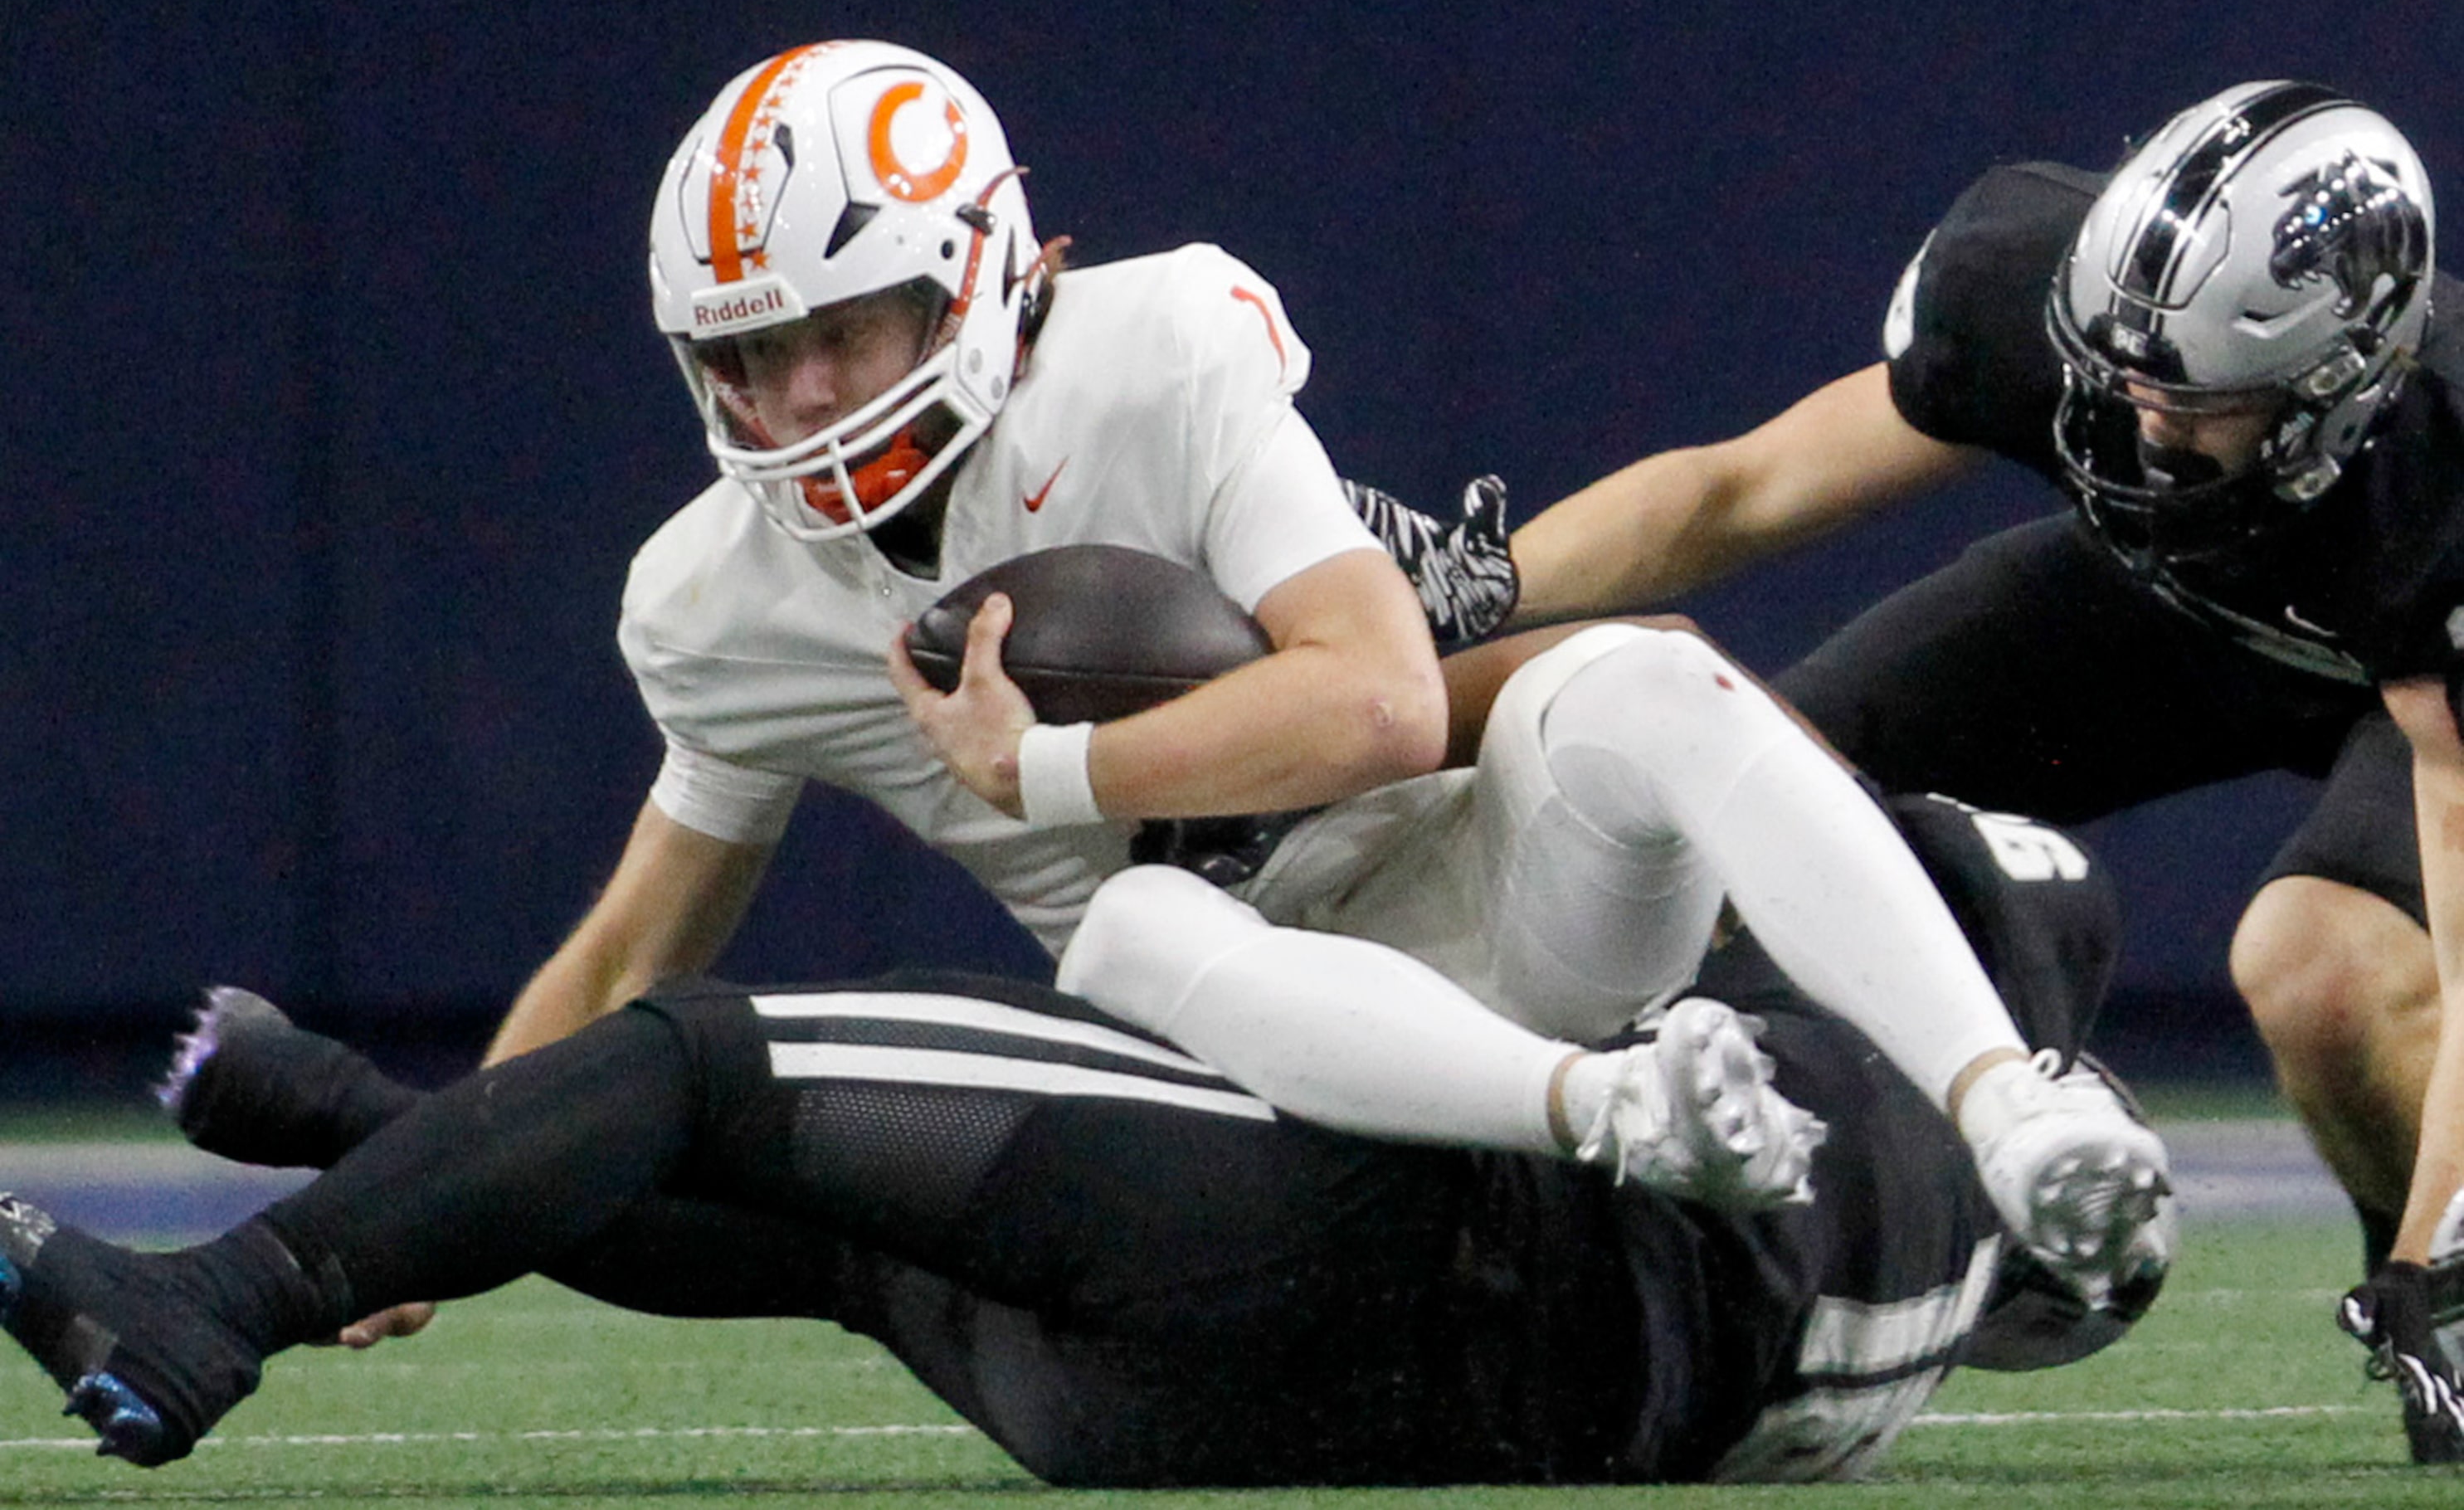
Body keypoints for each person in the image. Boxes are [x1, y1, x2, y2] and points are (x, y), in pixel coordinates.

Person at [466, 37, 2169, 1320]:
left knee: (1648, 681)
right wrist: (451, 1181)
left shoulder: (1160, 346)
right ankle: (1625, 1116)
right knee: (1130, 930)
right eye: (751, 358)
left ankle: (2008, 1115)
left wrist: (1043, 776)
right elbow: (640, 937)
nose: (802, 397)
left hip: (1465, 883)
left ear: (978, 271)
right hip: (1238, 1055)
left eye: (842, 330)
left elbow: (1380, 709)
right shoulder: (713, 600)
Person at [1367, 79, 2464, 1459]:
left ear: (2337, 384)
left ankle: (2434, 1291)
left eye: (2191, 402)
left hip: (2408, 680)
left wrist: (2435, 1243)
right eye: (2117, 377)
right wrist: (1487, 582)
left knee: (2320, 970)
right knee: (1744, 803)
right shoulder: (2045, 302)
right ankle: (1531, 1216)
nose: (2135, 427)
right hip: (2177, 608)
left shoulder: (2441, 482)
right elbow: (1740, 488)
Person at [6, 796, 2171, 1482]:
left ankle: (222, 1293)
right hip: (1382, 1406)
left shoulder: (1871, 1014)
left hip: (1411, 1232)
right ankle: (389, 1144)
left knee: (710, 1058)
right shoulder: (1964, 1259)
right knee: (853, 1228)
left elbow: (1691, 799)